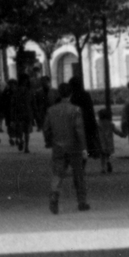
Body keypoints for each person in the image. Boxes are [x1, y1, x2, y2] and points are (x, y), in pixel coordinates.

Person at [41, 82, 90, 214]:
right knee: (78, 174)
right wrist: (84, 148)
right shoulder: (76, 110)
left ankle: (54, 197)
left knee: (57, 174)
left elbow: (46, 129)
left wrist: (49, 141)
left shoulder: (51, 110)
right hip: (74, 146)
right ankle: (81, 202)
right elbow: (79, 130)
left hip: (58, 146)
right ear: (71, 94)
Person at [69, 65, 100, 162]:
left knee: (77, 143)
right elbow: (90, 109)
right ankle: (83, 162)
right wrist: (93, 123)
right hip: (87, 122)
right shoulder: (85, 95)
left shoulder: (72, 96)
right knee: (86, 143)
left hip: (76, 122)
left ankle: (79, 162)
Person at [6, 74, 34, 153]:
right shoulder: (28, 91)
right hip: (24, 113)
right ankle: (25, 145)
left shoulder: (18, 92)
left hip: (22, 113)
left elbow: (13, 104)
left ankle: (24, 144)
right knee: (25, 131)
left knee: (23, 130)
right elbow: (33, 103)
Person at [95, 107, 117, 173]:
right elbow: (116, 131)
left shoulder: (98, 123)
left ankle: (103, 168)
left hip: (101, 141)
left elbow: (95, 132)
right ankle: (108, 161)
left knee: (102, 155)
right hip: (109, 141)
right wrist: (123, 134)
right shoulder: (110, 124)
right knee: (108, 154)